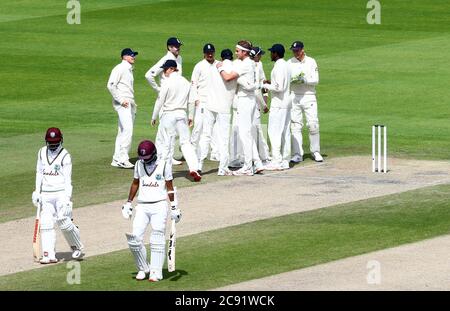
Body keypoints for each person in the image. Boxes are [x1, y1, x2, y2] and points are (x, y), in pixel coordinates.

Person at [122, 140, 181, 281]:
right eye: (142, 158)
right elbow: (135, 183)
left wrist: (174, 206)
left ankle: (156, 272)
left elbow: (170, 187)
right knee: (134, 239)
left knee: (157, 238)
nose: (144, 161)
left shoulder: (164, 164)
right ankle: (143, 268)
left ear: (153, 154)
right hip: (142, 206)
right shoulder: (138, 164)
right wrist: (128, 202)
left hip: (159, 205)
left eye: (147, 158)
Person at [32, 127, 84, 264]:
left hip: (61, 193)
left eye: (55, 143)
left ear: (61, 140)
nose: (53, 145)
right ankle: (49, 254)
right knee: (46, 224)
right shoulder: (41, 152)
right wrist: (37, 191)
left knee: (64, 222)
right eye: (50, 143)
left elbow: (68, 179)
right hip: (46, 194)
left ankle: (77, 247)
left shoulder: (65, 155)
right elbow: (39, 172)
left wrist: (67, 199)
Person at [218, 40, 264, 176]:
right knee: (247, 133)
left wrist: (220, 67)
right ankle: (256, 164)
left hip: (245, 100)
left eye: (237, 51)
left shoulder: (245, 64)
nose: (235, 53)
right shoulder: (249, 63)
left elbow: (227, 77)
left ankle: (248, 167)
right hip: (249, 100)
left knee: (245, 134)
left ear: (244, 52)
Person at [151, 60, 201, 182]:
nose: (164, 72)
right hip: (182, 114)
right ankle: (194, 169)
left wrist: (154, 116)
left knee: (167, 144)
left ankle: (165, 172)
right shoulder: (185, 82)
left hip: (168, 115)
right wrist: (190, 116)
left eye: (165, 70)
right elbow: (191, 100)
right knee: (186, 143)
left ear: (171, 69)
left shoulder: (167, 82)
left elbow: (160, 101)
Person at [195, 43, 233, 176]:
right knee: (223, 138)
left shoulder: (215, 67)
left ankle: (198, 165)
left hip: (210, 104)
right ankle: (223, 168)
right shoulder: (230, 68)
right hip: (222, 107)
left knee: (206, 135)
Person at [145, 37, 184, 166]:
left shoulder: (179, 59)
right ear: (169, 47)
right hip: (166, 98)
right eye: (174, 46)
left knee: (171, 129)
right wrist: (159, 90)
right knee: (165, 129)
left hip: (176, 98)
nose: (177, 48)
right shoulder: (165, 60)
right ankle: (162, 155)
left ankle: (166, 155)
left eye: (178, 46)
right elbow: (148, 75)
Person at [288, 41, 323, 163]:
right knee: (295, 126)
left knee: (313, 125)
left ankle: (316, 152)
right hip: (294, 96)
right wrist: (292, 80)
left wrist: (304, 80)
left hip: (309, 96)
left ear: (302, 50)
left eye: (297, 50)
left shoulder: (311, 61)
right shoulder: (289, 63)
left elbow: (316, 80)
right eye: (293, 50)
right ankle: (297, 154)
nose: (295, 53)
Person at [107, 48, 138, 169]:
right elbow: (110, 85)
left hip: (128, 102)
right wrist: (121, 100)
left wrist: (132, 102)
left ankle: (116, 158)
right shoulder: (120, 68)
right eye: (131, 55)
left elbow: (126, 88)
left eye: (134, 55)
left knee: (122, 131)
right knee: (128, 129)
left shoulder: (128, 69)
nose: (133, 57)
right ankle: (123, 158)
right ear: (124, 57)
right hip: (123, 103)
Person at [263, 44, 292, 170]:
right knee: (285, 132)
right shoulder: (286, 65)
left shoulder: (279, 66)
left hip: (278, 104)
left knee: (274, 132)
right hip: (286, 103)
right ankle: (285, 160)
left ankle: (276, 160)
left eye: (272, 52)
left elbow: (278, 88)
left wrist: (263, 85)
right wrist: (271, 82)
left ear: (276, 53)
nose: (270, 55)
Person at [190, 44, 219, 166]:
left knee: (214, 128)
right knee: (198, 127)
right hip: (202, 100)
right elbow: (193, 84)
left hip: (215, 101)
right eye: (208, 53)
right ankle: (191, 151)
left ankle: (215, 152)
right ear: (204, 53)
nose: (210, 54)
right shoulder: (199, 66)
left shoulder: (219, 64)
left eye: (211, 52)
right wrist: (195, 98)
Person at [249, 46, 271, 164]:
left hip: (257, 102)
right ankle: (263, 156)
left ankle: (264, 155)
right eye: (259, 55)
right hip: (251, 102)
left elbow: (263, 82)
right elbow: (256, 90)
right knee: (255, 129)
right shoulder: (249, 67)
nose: (261, 56)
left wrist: (266, 98)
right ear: (255, 55)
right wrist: (264, 105)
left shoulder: (260, 65)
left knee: (256, 129)